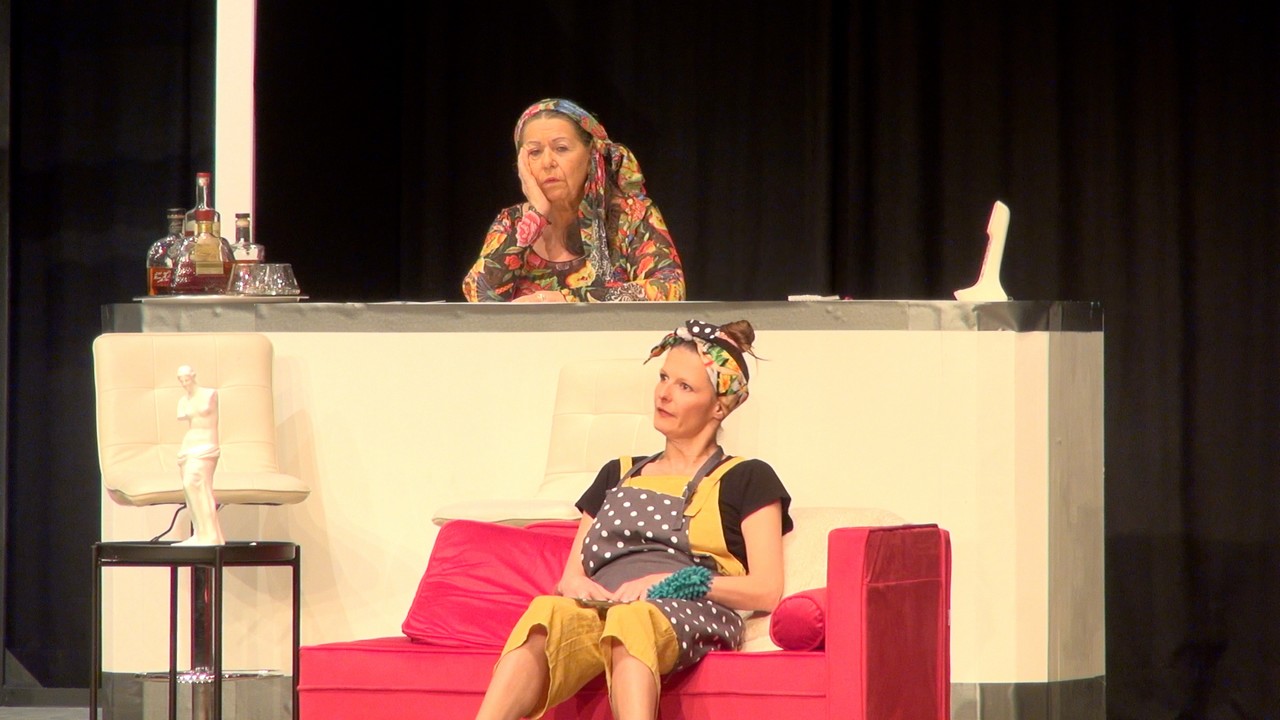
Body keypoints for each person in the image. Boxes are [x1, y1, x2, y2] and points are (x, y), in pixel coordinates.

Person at [475, 319, 792, 720]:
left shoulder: (747, 477)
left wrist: (670, 582)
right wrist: (576, 585)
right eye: (664, 378)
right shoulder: (617, 472)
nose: (664, 394)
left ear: (719, 405)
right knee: (546, 612)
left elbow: (766, 590)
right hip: (604, 608)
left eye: (684, 386)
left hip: (688, 608)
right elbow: (571, 575)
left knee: (632, 620)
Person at [461, 98, 686, 303]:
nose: (547, 162)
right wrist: (536, 215)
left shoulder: (631, 216)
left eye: (561, 148)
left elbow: (670, 289)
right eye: (535, 152)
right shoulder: (512, 221)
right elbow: (479, 296)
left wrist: (564, 300)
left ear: (591, 155)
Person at [175, 365, 225, 545]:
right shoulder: (183, 401)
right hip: (188, 447)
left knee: (197, 486)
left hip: (207, 445)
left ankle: (210, 536)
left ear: (193, 376)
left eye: (186, 378)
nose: (184, 382)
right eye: (181, 380)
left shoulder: (210, 394)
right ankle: (200, 534)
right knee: (190, 491)